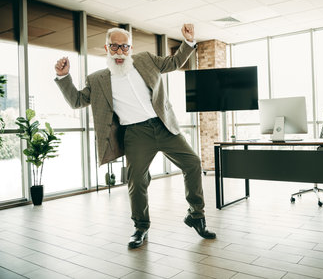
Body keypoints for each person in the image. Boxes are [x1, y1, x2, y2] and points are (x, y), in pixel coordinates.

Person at [54, 24, 216, 249]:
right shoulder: (98, 79)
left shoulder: (146, 60)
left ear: (130, 48)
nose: (119, 52)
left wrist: (188, 42)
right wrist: (63, 77)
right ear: (106, 48)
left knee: (193, 163)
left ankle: (196, 215)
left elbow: (175, 63)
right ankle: (141, 226)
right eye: (114, 47)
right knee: (137, 180)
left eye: (124, 47)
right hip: (136, 133)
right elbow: (77, 101)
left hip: (164, 126)